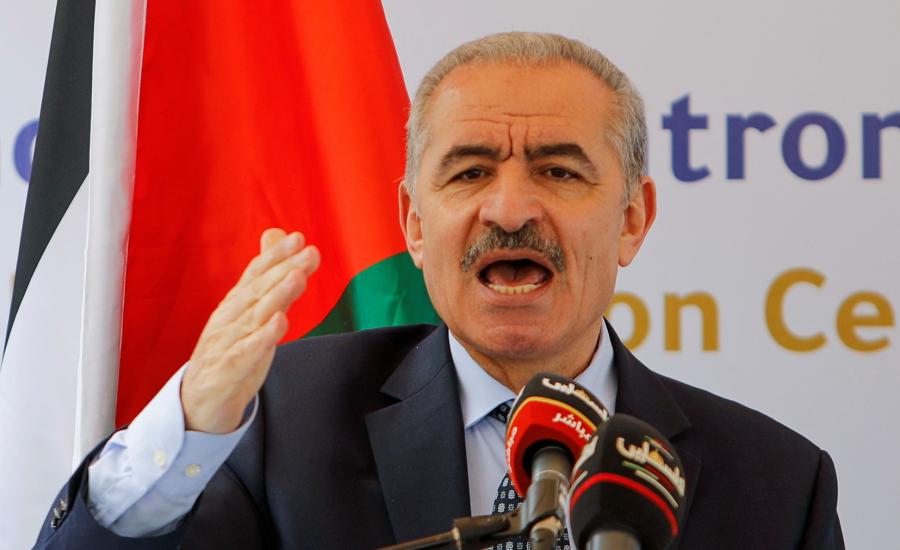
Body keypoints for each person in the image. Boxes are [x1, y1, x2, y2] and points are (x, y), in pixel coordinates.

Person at [33, 32, 844, 549]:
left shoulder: (776, 483)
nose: (510, 209)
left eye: (560, 172)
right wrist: (188, 426)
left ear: (632, 219)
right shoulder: (279, 423)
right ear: (414, 225)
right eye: (470, 173)